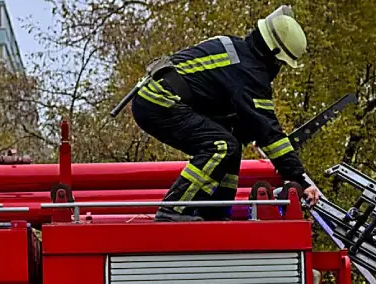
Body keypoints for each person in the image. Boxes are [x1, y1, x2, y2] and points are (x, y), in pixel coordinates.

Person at [129, 5, 321, 221]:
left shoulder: (238, 51)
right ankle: (173, 211)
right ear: (272, 54)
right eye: (280, 63)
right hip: (160, 101)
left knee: (232, 144)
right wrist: (299, 178)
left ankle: (216, 212)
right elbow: (270, 133)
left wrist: (250, 131)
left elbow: (232, 110)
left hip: (156, 98)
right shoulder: (250, 72)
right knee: (220, 146)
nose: (278, 68)